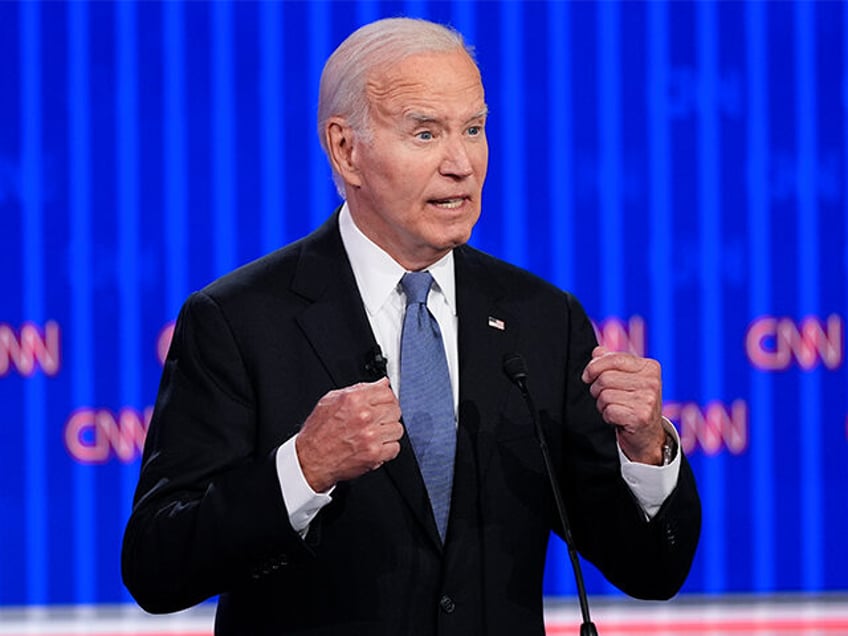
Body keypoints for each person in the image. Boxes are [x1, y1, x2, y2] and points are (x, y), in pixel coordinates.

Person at [122, 17, 700, 635]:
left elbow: (652, 570)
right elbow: (158, 566)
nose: (461, 163)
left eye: (473, 129)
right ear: (346, 150)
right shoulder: (238, 321)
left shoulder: (541, 318)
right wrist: (302, 470)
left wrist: (646, 453)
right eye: (425, 133)